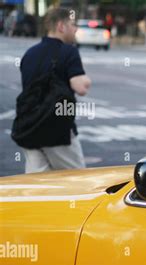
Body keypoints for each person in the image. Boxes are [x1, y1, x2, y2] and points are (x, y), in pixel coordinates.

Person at [16, 7, 91, 173]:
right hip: (58, 129)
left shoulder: (29, 54)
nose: (76, 28)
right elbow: (80, 87)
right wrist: (86, 79)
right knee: (76, 181)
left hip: (29, 128)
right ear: (61, 26)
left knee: (39, 186)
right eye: (72, 24)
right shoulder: (69, 52)